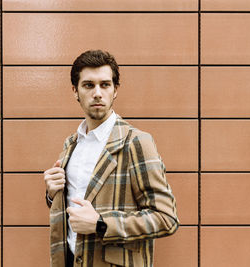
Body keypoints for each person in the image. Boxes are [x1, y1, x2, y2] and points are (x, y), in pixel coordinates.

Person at [44, 50, 179, 267]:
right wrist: (52, 195)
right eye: (88, 85)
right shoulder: (71, 145)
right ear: (75, 91)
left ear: (115, 90)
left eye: (105, 85)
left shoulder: (136, 142)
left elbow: (166, 219)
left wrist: (101, 224)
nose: (97, 93)